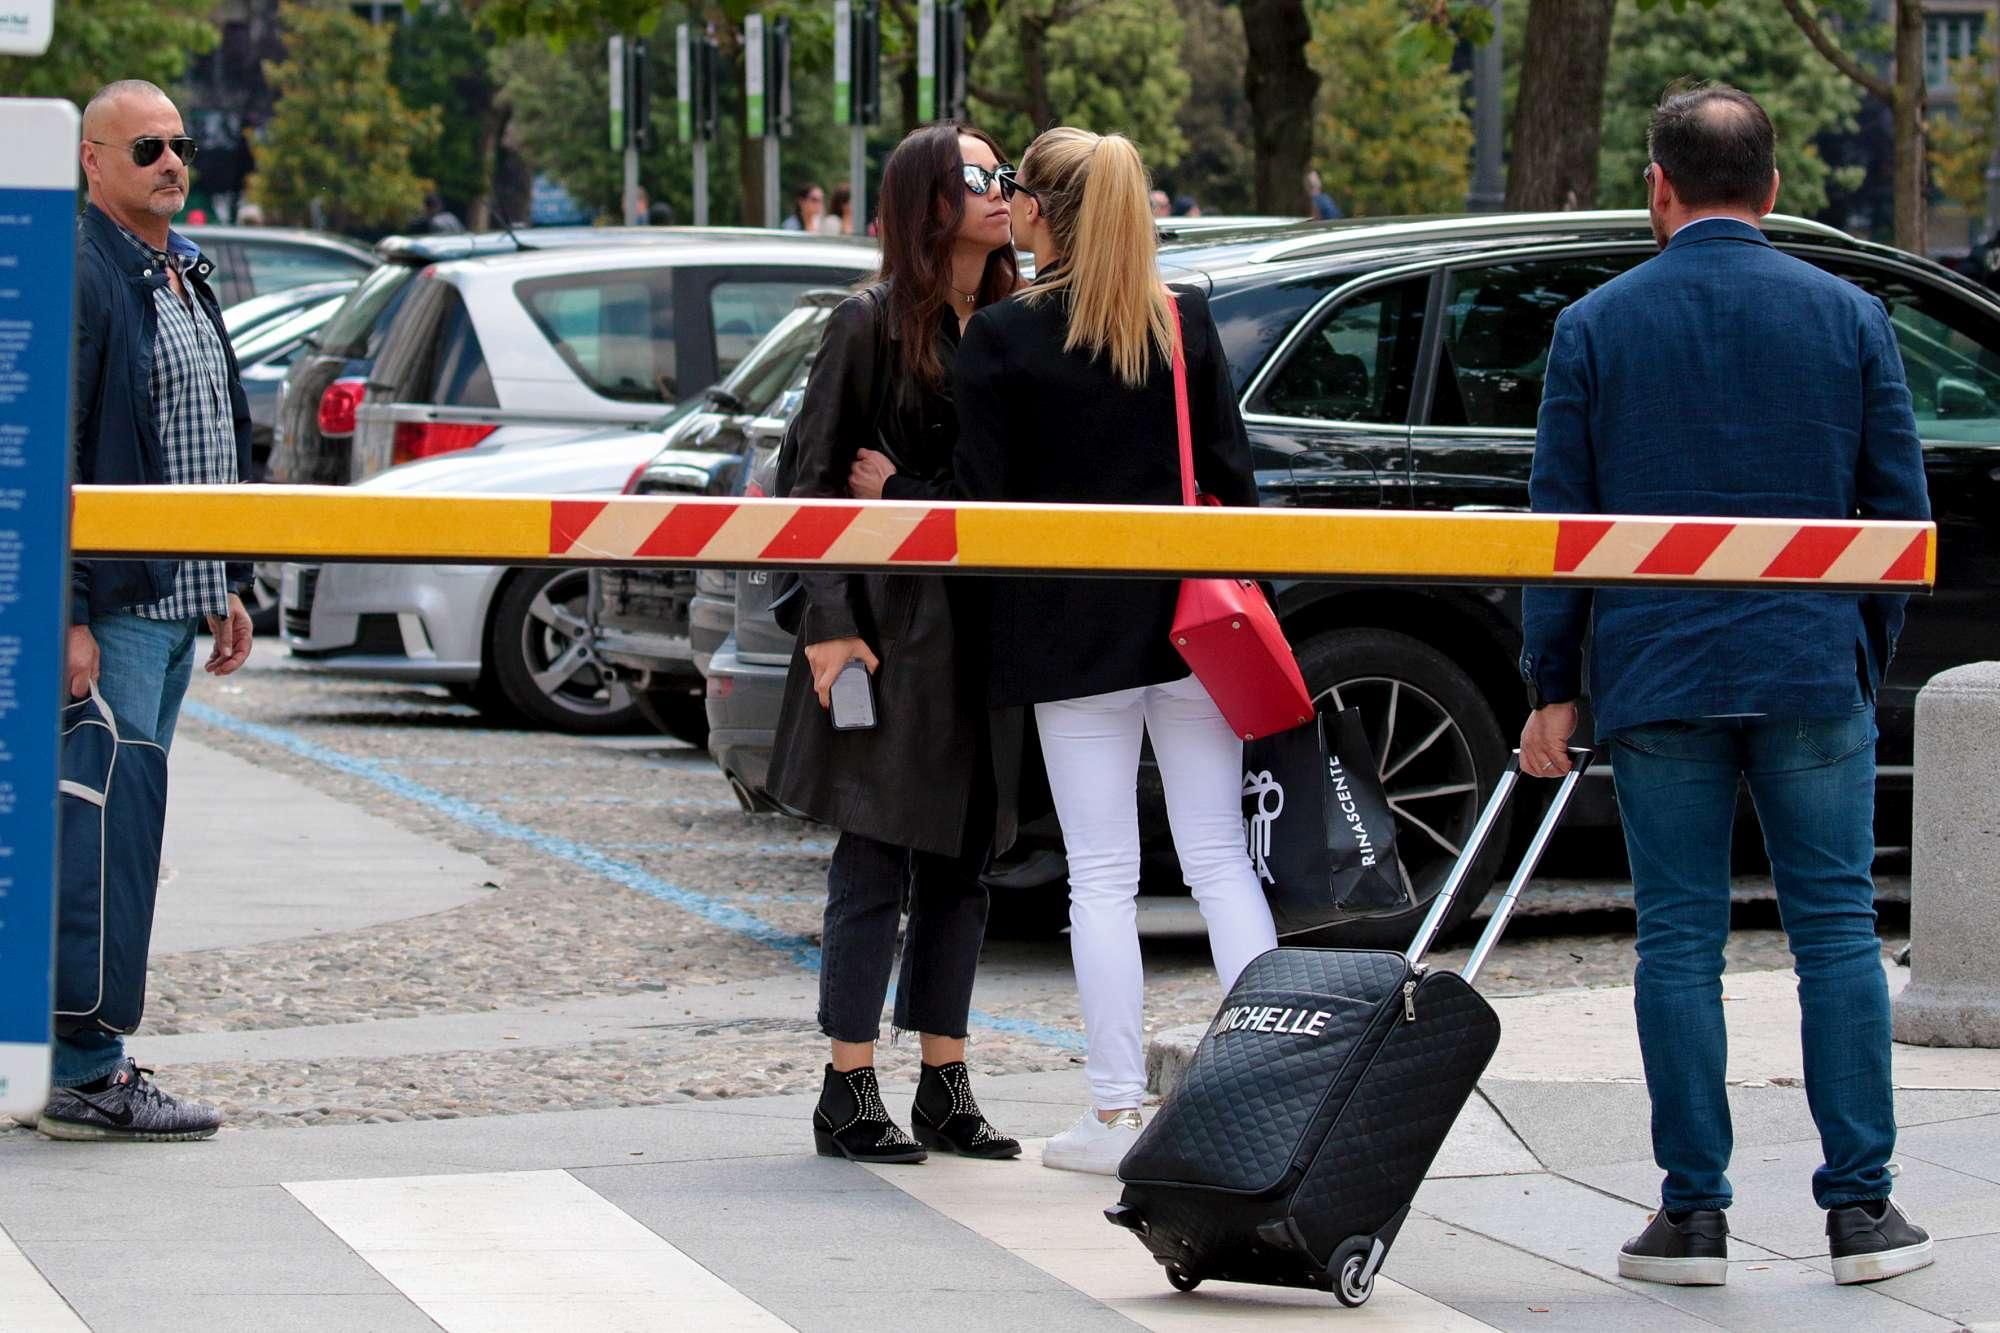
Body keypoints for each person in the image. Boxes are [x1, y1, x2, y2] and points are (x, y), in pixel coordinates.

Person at [1518, 85, 1934, 1287]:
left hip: (1656, 671)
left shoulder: (1593, 326)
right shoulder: (1849, 316)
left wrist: (1554, 680)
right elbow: (1896, 517)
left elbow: (1562, 525)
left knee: (1677, 941)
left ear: (1656, 185)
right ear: (1771, 187)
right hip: (1809, 665)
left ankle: (1690, 1213)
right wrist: (1859, 649)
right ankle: (1860, 1210)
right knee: (1836, 934)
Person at [949, 127, 1280, 1175]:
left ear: (1039, 211)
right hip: (1192, 625)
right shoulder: (1181, 320)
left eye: (1014, 188)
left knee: (1101, 877)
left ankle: (1112, 1112)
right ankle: (1271, 1093)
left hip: (1067, 636)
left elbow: (982, 505)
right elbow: (1230, 481)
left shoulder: (1002, 337)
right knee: (1219, 858)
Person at [766, 123, 1023, 1165]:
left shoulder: (1006, 323)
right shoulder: (867, 322)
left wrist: (907, 490)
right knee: (874, 855)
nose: (1000, 189)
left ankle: (944, 1082)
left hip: (982, 623)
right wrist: (828, 624)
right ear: (928, 200)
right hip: (886, 628)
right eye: (977, 175)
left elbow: (1006, 485)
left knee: (966, 862)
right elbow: (811, 483)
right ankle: (846, 1084)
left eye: (1004, 174)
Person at [43, 80, 256, 1141]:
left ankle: (64, 1060)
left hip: (176, 601)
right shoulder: (87, 273)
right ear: (93, 160)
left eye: (179, 145)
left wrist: (228, 578)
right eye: (146, 149)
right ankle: (87, 1070)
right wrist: (70, 611)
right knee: (103, 833)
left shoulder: (181, 270)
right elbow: (61, 450)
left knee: (117, 825)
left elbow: (208, 433)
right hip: (119, 608)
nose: (171, 162)